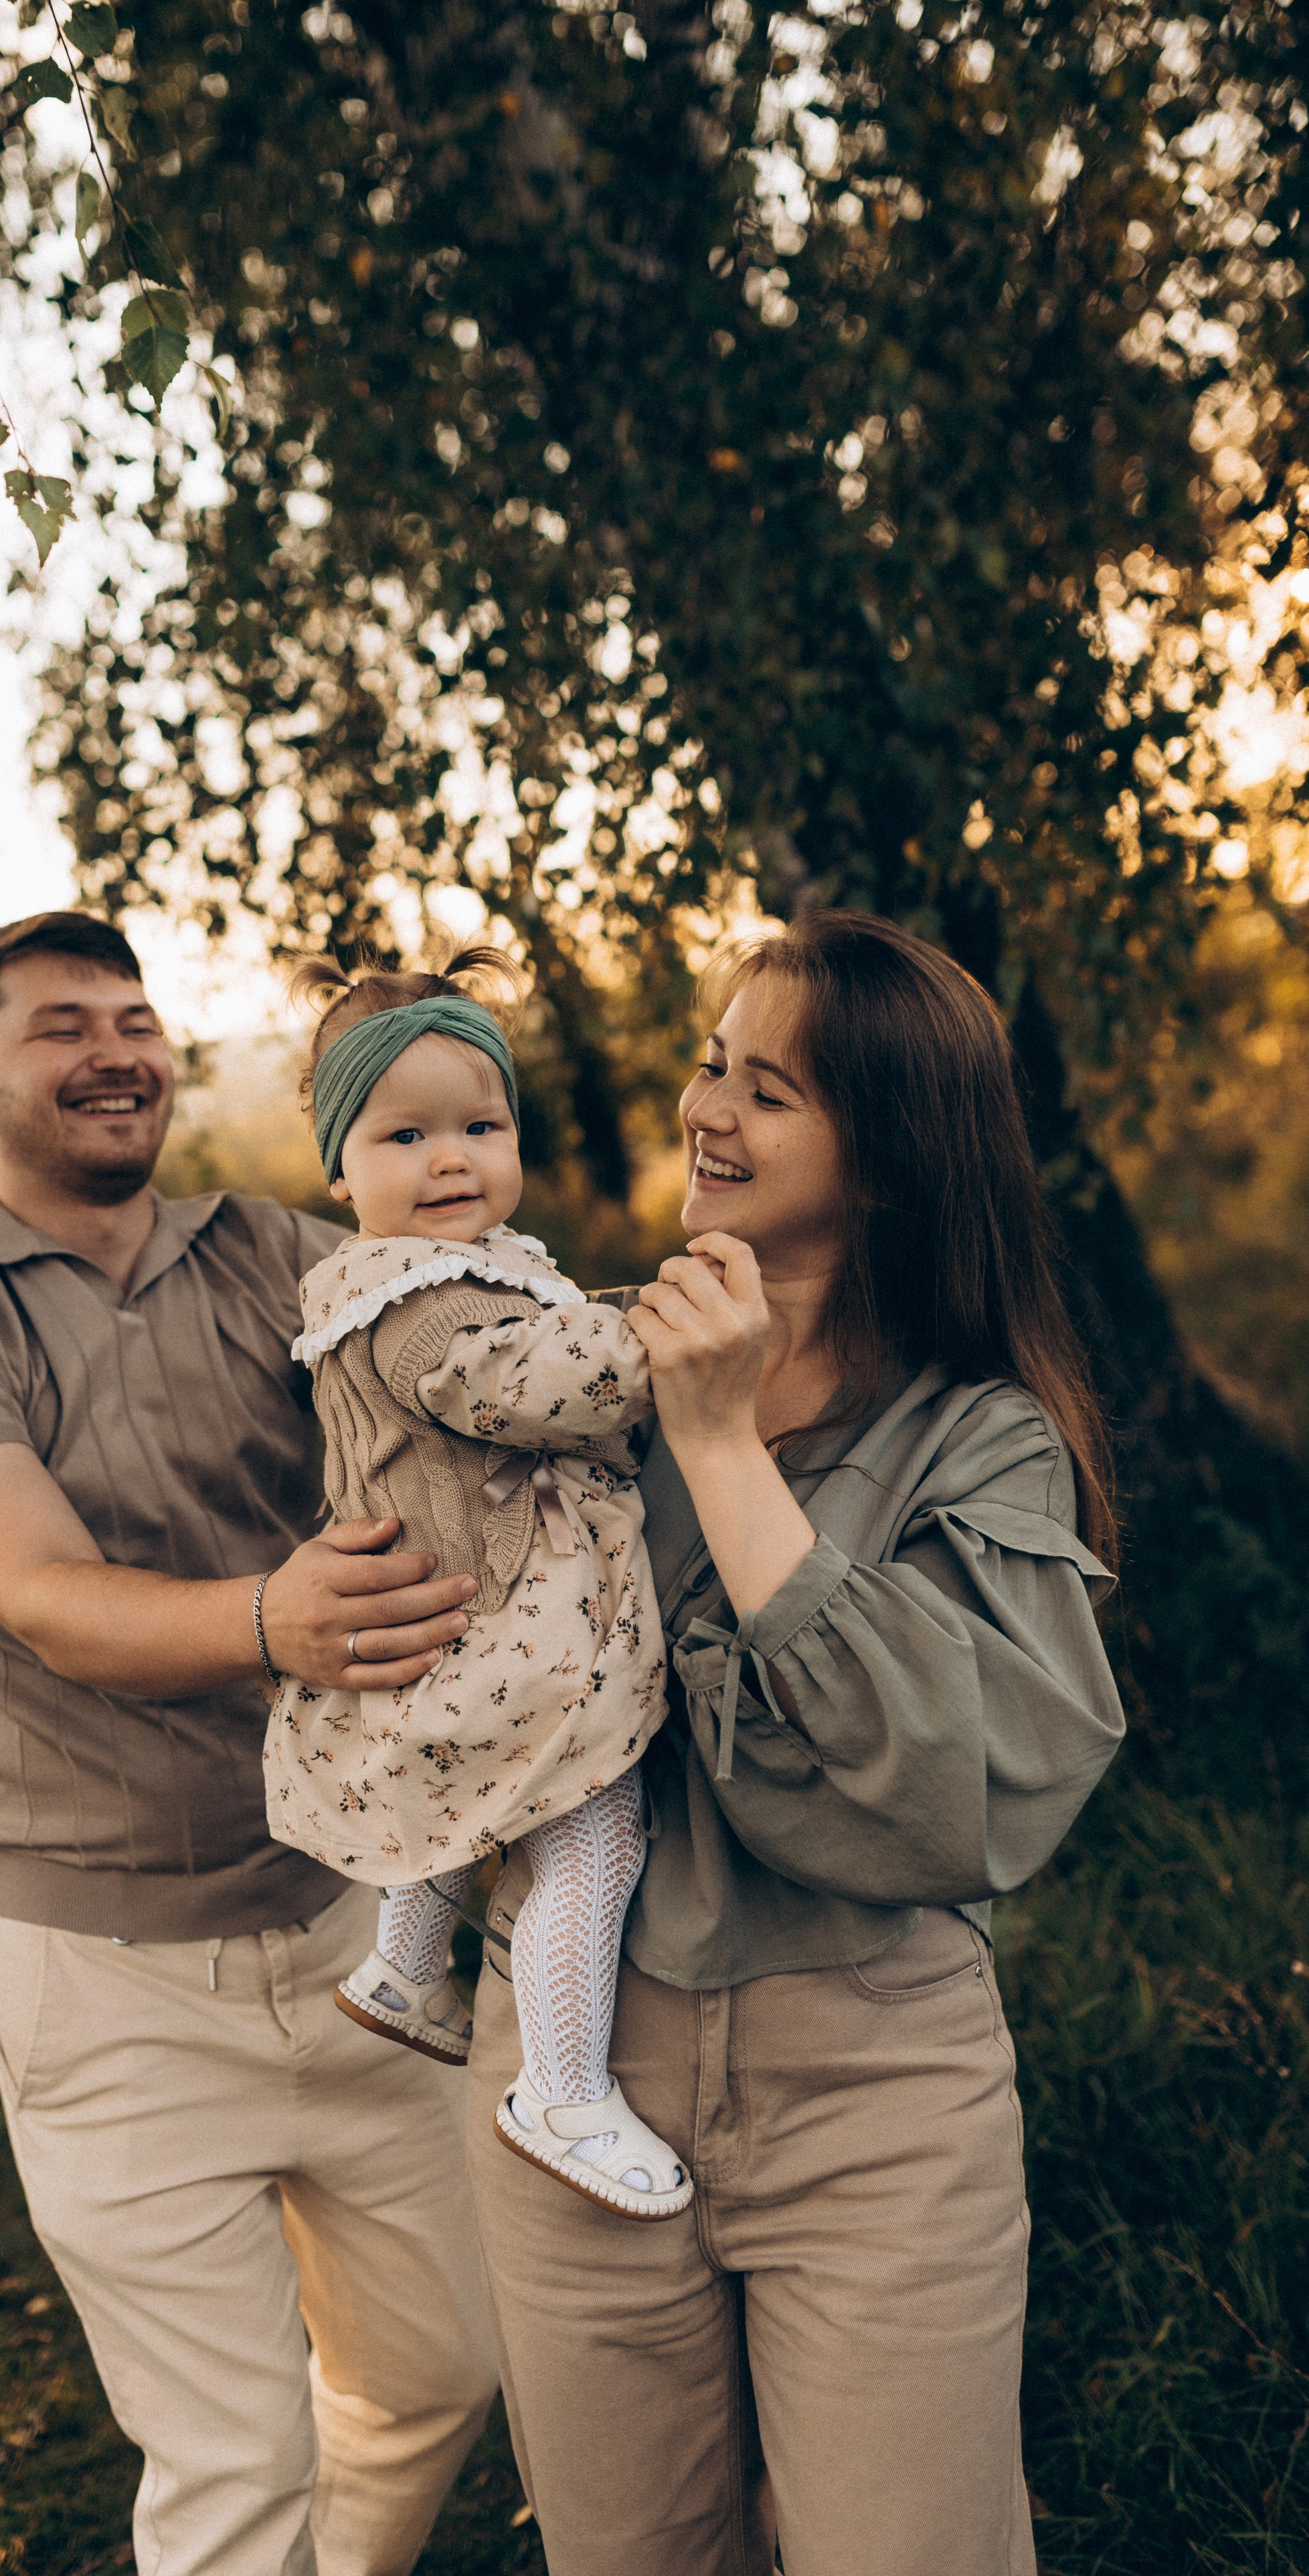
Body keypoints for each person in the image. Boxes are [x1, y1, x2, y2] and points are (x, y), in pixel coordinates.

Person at [462, 911, 1127, 2576]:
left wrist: (715, 1438)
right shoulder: (572, 1366)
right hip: (569, 2068)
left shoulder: (975, 1437)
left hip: (871, 2085)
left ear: (891, 1161)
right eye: (707, 1063)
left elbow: (938, 1792)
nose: (705, 1112)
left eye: (768, 1091)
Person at [0, 911, 498, 2576]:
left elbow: (472, 1381)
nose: (115, 1049)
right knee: (231, 2466)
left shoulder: (286, 1257)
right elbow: (46, 1597)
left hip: (363, 1930)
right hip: (109, 1981)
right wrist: (275, 1618)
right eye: (60, 1026)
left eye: (133, 1018)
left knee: (439, 2378)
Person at [264, 951, 689, 2221]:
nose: (449, 1158)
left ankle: (403, 1966)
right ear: (341, 1169)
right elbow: (540, 1385)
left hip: (474, 1623)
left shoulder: (454, 1267)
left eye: (479, 1125)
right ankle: (559, 2088)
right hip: (503, 1628)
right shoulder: (417, 1302)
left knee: (479, 1796)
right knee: (594, 1829)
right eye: (405, 1134)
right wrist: (653, 1333)